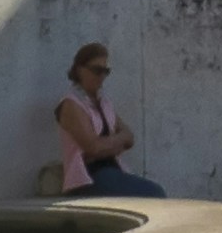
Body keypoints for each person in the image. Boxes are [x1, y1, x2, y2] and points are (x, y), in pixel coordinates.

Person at [48, 45, 160, 202]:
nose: (101, 76)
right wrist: (115, 142)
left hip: (110, 172)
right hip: (87, 178)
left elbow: (130, 138)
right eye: (96, 70)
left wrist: (106, 145)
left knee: (154, 193)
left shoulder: (104, 103)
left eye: (105, 71)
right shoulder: (71, 104)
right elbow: (93, 148)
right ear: (80, 69)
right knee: (155, 194)